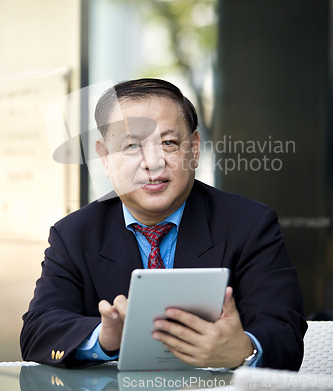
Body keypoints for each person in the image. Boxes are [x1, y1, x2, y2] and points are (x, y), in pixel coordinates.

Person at [20, 78, 307, 370]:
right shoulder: (74, 234)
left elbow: (286, 336)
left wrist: (244, 350)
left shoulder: (250, 225)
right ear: (105, 157)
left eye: (168, 143)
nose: (153, 162)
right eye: (132, 146)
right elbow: (37, 332)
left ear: (194, 149)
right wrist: (103, 338)